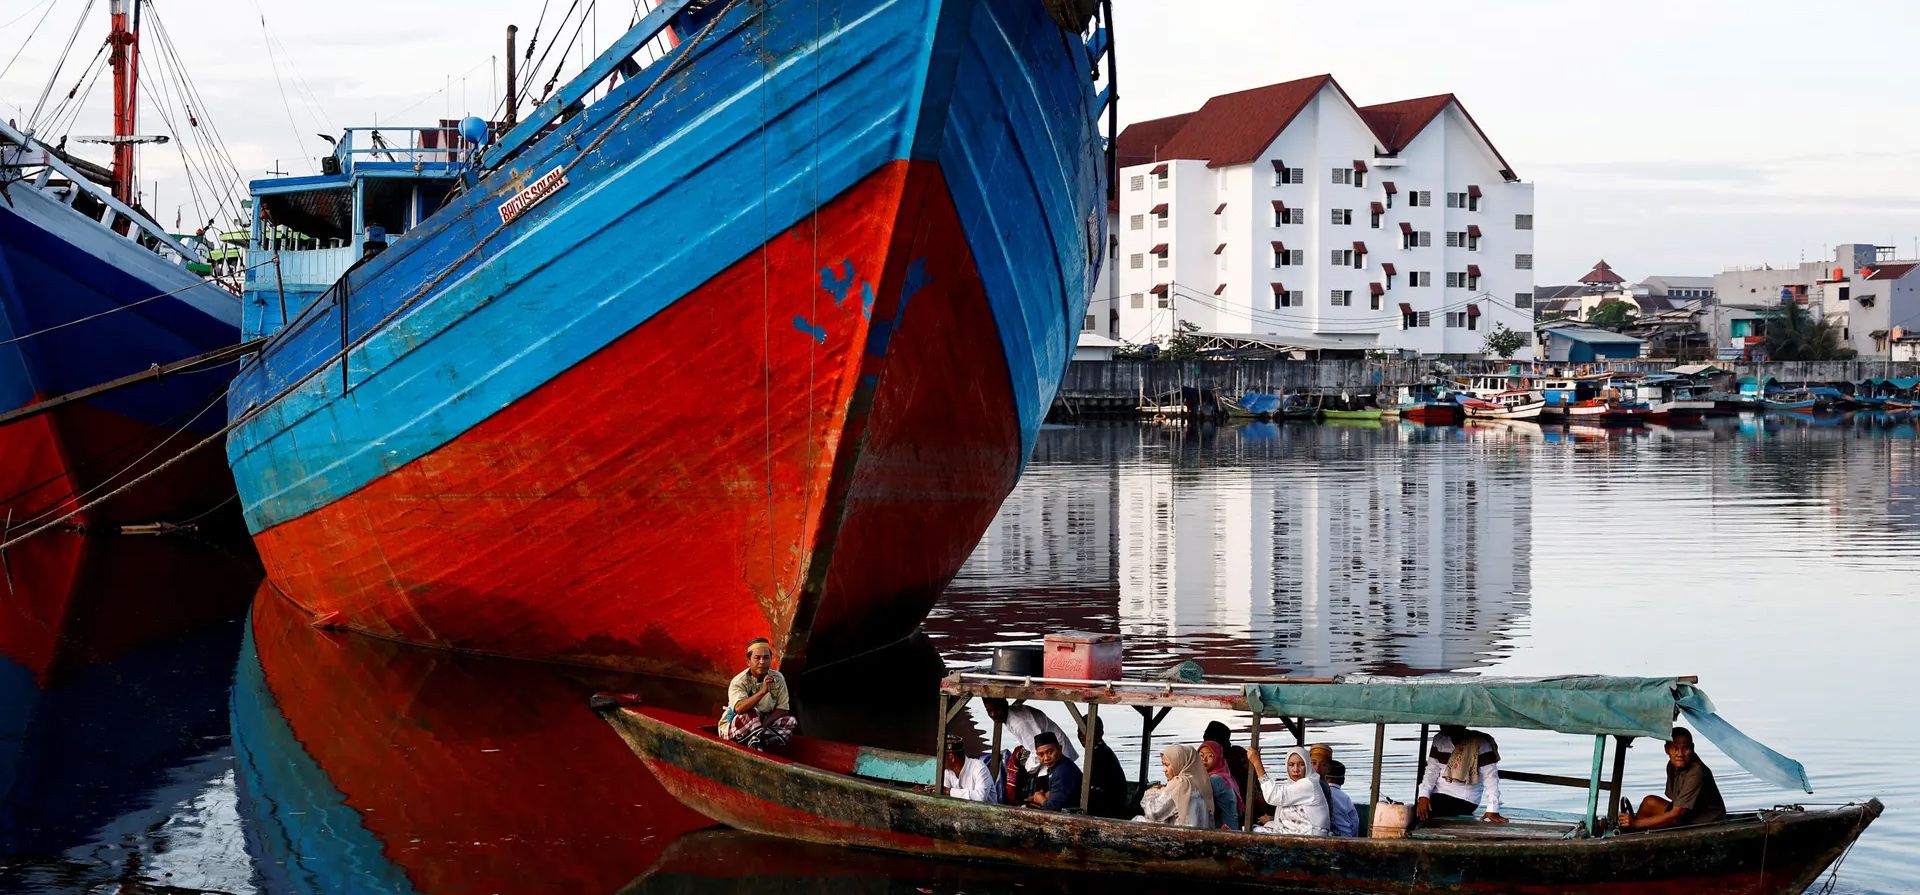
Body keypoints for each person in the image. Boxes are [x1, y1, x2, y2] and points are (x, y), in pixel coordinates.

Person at [1619, 728, 1726, 831]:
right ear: (1667, 749)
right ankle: (1634, 832)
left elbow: (1678, 813)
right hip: (1688, 812)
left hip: (1708, 820)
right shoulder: (1672, 766)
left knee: (1654, 822)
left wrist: (1638, 823)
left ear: (1692, 748)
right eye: (1675, 748)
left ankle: (1636, 829)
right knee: (1649, 801)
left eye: (1685, 748)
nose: (1680, 754)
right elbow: (1675, 804)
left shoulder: (1696, 771)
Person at [1416, 724, 1507, 824]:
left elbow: (1491, 778)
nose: (1443, 725)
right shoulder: (1439, 739)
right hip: (1437, 794)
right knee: (1416, 811)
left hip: (1465, 798)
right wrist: (1423, 796)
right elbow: (1431, 772)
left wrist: (1492, 810)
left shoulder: (1481, 743)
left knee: (1428, 812)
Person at [722, 637, 798, 751]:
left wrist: (765, 723)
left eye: (766, 658)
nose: (762, 662)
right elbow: (739, 708)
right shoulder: (739, 681)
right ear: (748, 661)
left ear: (771, 659)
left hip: (762, 724)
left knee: (790, 721)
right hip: (736, 727)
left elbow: (783, 708)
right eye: (757, 658)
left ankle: (758, 740)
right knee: (752, 714)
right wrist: (763, 691)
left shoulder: (778, 678)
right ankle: (757, 744)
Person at [982, 697, 1079, 773]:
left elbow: (1036, 751)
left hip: (1056, 754)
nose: (993, 714)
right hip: (1049, 752)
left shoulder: (1019, 723)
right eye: (989, 711)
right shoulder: (1012, 716)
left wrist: (1027, 768)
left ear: (1005, 704)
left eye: (996, 709)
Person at [1250, 746, 1328, 836]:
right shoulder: (1293, 785)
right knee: (1266, 825)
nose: (1295, 770)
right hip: (1301, 832)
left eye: (1301, 765)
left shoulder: (1309, 784)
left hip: (1312, 836)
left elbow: (1274, 796)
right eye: (1291, 765)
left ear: (1308, 766)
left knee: (1253, 831)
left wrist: (1257, 763)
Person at [1138, 744, 1214, 828]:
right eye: (1163, 765)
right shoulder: (1200, 782)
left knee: (1138, 820)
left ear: (1179, 763)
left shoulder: (1180, 783)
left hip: (1181, 836)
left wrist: (1150, 793)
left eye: (1167, 765)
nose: (1164, 770)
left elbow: (1153, 813)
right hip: (1201, 834)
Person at [1023, 732, 1083, 812]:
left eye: (1050, 752)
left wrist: (1040, 799)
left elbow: (1053, 809)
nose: (1046, 758)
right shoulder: (1057, 765)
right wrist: (1041, 796)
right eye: (1041, 754)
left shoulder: (1062, 772)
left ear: (1060, 749)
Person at [1086, 719, 1132, 819]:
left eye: (1086, 732)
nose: (1082, 736)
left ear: (1100, 733)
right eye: (1079, 732)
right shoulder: (1100, 751)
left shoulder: (1101, 754)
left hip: (1110, 808)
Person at [1198, 740, 1242, 829]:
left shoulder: (1215, 779)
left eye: (1210, 756)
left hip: (1225, 830)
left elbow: (1196, 796)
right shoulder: (1223, 775)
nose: (1204, 759)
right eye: (1201, 755)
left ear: (1218, 757)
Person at [942, 735, 998, 803]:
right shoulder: (947, 771)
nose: (939, 759)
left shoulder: (978, 767)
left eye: (941, 755)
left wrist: (950, 791)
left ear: (952, 757)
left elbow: (981, 796)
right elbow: (944, 794)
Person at [1322, 758, 1360, 837]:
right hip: (1346, 837)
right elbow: (1355, 822)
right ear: (1343, 780)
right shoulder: (1345, 798)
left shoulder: (1319, 793)